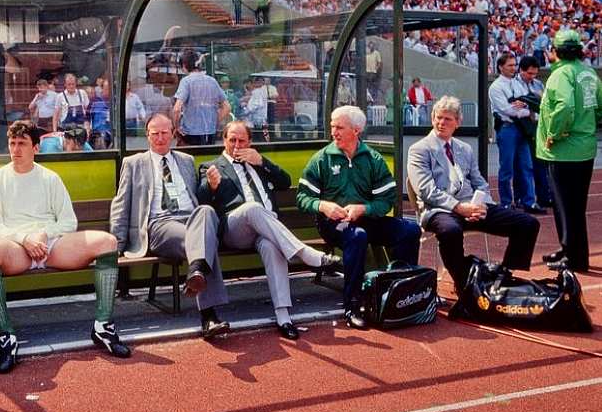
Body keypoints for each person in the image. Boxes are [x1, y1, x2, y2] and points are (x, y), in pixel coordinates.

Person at [0, 120, 129, 373]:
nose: (16, 149)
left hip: (52, 246)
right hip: (16, 249)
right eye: (12, 143)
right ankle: (7, 337)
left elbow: (68, 221)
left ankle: (103, 327)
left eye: (23, 144)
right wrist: (25, 239)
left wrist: (43, 234)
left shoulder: (50, 177)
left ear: (36, 147)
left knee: (107, 241)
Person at [197, 121, 340, 340]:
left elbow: (285, 182)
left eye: (241, 140)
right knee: (253, 208)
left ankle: (283, 316)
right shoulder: (211, 166)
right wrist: (211, 185)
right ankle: (306, 254)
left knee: (272, 245)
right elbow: (202, 203)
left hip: (268, 229)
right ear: (223, 140)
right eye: (231, 140)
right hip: (235, 229)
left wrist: (262, 161)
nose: (236, 145)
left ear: (250, 142)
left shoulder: (257, 162)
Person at [297, 106, 421, 329]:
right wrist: (323, 206)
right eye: (332, 126)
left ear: (356, 130)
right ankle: (352, 305)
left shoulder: (373, 159)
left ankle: (401, 293)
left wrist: (364, 209)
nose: (333, 131)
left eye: (339, 127)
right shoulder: (321, 159)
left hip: (367, 220)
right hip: (333, 225)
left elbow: (387, 200)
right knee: (357, 236)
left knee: (410, 230)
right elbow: (303, 198)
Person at [110, 113, 230, 338]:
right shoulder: (133, 163)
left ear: (173, 134)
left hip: (191, 218)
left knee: (206, 212)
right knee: (204, 241)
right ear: (147, 136)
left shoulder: (186, 160)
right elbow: (121, 204)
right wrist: (116, 244)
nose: (160, 138)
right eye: (154, 133)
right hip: (160, 224)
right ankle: (209, 316)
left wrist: (212, 187)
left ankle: (196, 272)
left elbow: (199, 195)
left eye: (165, 133)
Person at [408, 96, 540, 291]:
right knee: (450, 231)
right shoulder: (419, 149)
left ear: (458, 123)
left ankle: (504, 274)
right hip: (439, 209)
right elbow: (426, 191)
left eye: (447, 119)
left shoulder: (464, 148)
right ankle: (463, 281)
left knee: (528, 223)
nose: (441, 123)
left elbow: (480, 182)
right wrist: (460, 208)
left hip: (471, 205)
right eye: (438, 118)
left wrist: (481, 205)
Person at [537, 30, 602, 272]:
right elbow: (599, 107)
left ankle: (573, 257)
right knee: (576, 206)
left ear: (555, 51)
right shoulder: (588, 72)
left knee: (565, 205)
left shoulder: (561, 74)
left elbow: (564, 106)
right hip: (584, 147)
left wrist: (554, 133)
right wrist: (588, 124)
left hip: (564, 151)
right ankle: (572, 250)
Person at [489, 52, 545, 214]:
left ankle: (529, 201)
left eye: (514, 65)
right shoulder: (496, 87)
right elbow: (507, 110)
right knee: (507, 167)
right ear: (501, 67)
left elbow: (529, 102)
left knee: (527, 166)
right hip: (507, 128)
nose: (514, 68)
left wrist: (523, 106)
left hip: (521, 128)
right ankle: (506, 202)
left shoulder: (517, 84)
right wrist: (525, 110)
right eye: (510, 65)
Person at [513, 56, 551, 208]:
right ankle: (521, 198)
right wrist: (530, 109)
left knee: (541, 164)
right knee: (521, 166)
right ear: (521, 70)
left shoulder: (538, 84)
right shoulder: (513, 85)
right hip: (521, 128)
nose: (532, 77)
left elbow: (544, 105)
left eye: (535, 73)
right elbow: (517, 107)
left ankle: (544, 196)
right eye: (529, 73)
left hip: (537, 128)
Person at [173, 50, 230, 146]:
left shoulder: (186, 81)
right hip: (210, 132)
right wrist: (214, 121)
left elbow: (177, 109)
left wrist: (177, 127)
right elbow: (227, 107)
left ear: (184, 65)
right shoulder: (212, 81)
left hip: (190, 133)